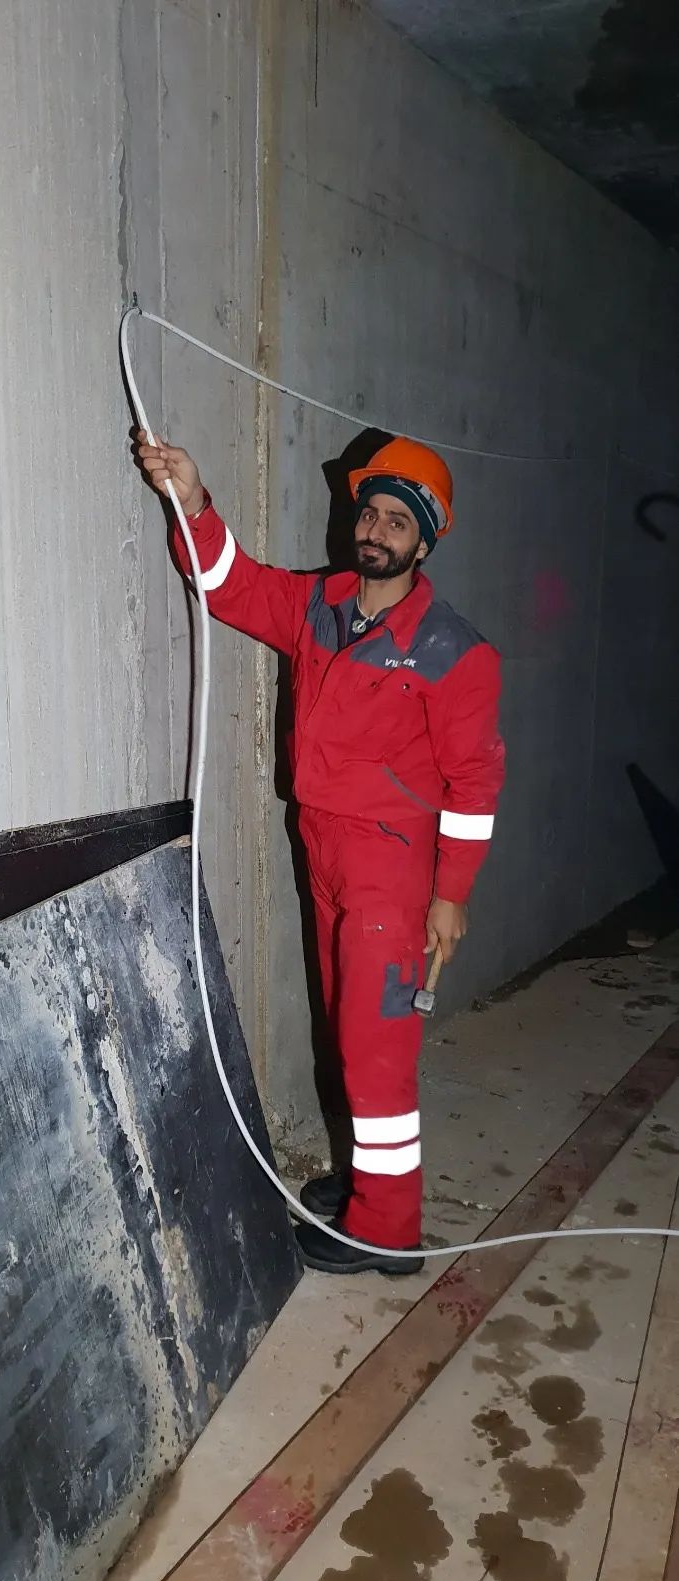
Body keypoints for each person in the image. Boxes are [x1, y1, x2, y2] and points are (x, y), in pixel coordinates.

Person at [135, 429, 505, 1275]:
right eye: (369, 514)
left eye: (397, 522)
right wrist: (193, 500)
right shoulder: (320, 606)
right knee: (348, 1031)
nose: (375, 530)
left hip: (390, 867)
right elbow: (227, 584)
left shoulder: (454, 651)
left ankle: (388, 1230)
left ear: (424, 542)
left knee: (377, 1046)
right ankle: (371, 1180)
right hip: (325, 851)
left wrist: (451, 894)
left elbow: (476, 783)